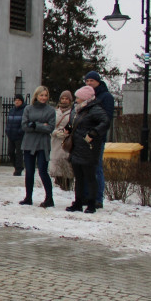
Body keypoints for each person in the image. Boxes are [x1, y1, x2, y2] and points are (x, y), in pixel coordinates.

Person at [65, 85, 109, 214]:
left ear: (85, 98)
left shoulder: (95, 109)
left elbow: (105, 122)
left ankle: (91, 204)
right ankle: (78, 202)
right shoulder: (77, 109)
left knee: (90, 177)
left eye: (78, 97)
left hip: (88, 148)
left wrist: (94, 133)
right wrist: (69, 127)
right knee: (78, 177)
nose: (76, 99)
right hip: (77, 146)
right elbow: (75, 122)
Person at [19, 86, 55, 207]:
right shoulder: (28, 109)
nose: (43, 97)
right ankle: (28, 197)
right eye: (41, 95)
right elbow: (24, 126)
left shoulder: (50, 110)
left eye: (45, 95)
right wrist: (40, 125)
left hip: (43, 145)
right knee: (29, 172)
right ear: (36, 96)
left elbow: (50, 127)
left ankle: (49, 198)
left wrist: (35, 125)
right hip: (28, 144)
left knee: (43, 171)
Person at [83, 71, 114, 209]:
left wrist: (95, 132)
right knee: (84, 168)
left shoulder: (106, 96)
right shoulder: (85, 96)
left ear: (98, 82)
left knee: (97, 169)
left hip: (97, 138)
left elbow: (106, 119)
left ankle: (97, 198)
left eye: (92, 81)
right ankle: (87, 195)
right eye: (87, 81)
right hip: (83, 137)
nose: (89, 83)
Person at [49, 90, 74, 192]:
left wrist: (66, 133)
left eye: (66, 99)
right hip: (55, 141)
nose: (64, 101)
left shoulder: (73, 112)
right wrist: (54, 132)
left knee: (66, 163)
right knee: (56, 163)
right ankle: (58, 183)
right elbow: (49, 125)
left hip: (67, 141)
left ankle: (67, 185)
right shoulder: (54, 112)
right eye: (62, 98)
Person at [5, 95, 26, 176]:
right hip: (11, 134)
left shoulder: (24, 110)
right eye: (15, 100)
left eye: (18, 100)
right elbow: (8, 121)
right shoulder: (12, 110)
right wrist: (7, 130)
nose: (17, 102)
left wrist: (20, 131)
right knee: (10, 152)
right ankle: (17, 166)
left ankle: (18, 169)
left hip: (19, 135)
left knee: (19, 153)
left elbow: (24, 122)